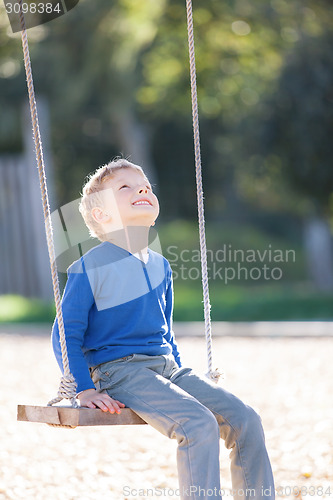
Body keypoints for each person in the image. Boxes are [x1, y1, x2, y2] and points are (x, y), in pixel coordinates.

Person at [52, 158, 275, 500]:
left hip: (166, 368)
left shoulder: (160, 265)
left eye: (145, 185)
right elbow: (65, 334)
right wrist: (84, 390)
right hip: (120, 371)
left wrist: (186, 380)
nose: (141, 189)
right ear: (102, 215)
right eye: (125, 187)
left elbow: (164, 332)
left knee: (246, 419)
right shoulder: (89, 266)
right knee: (198, 423)